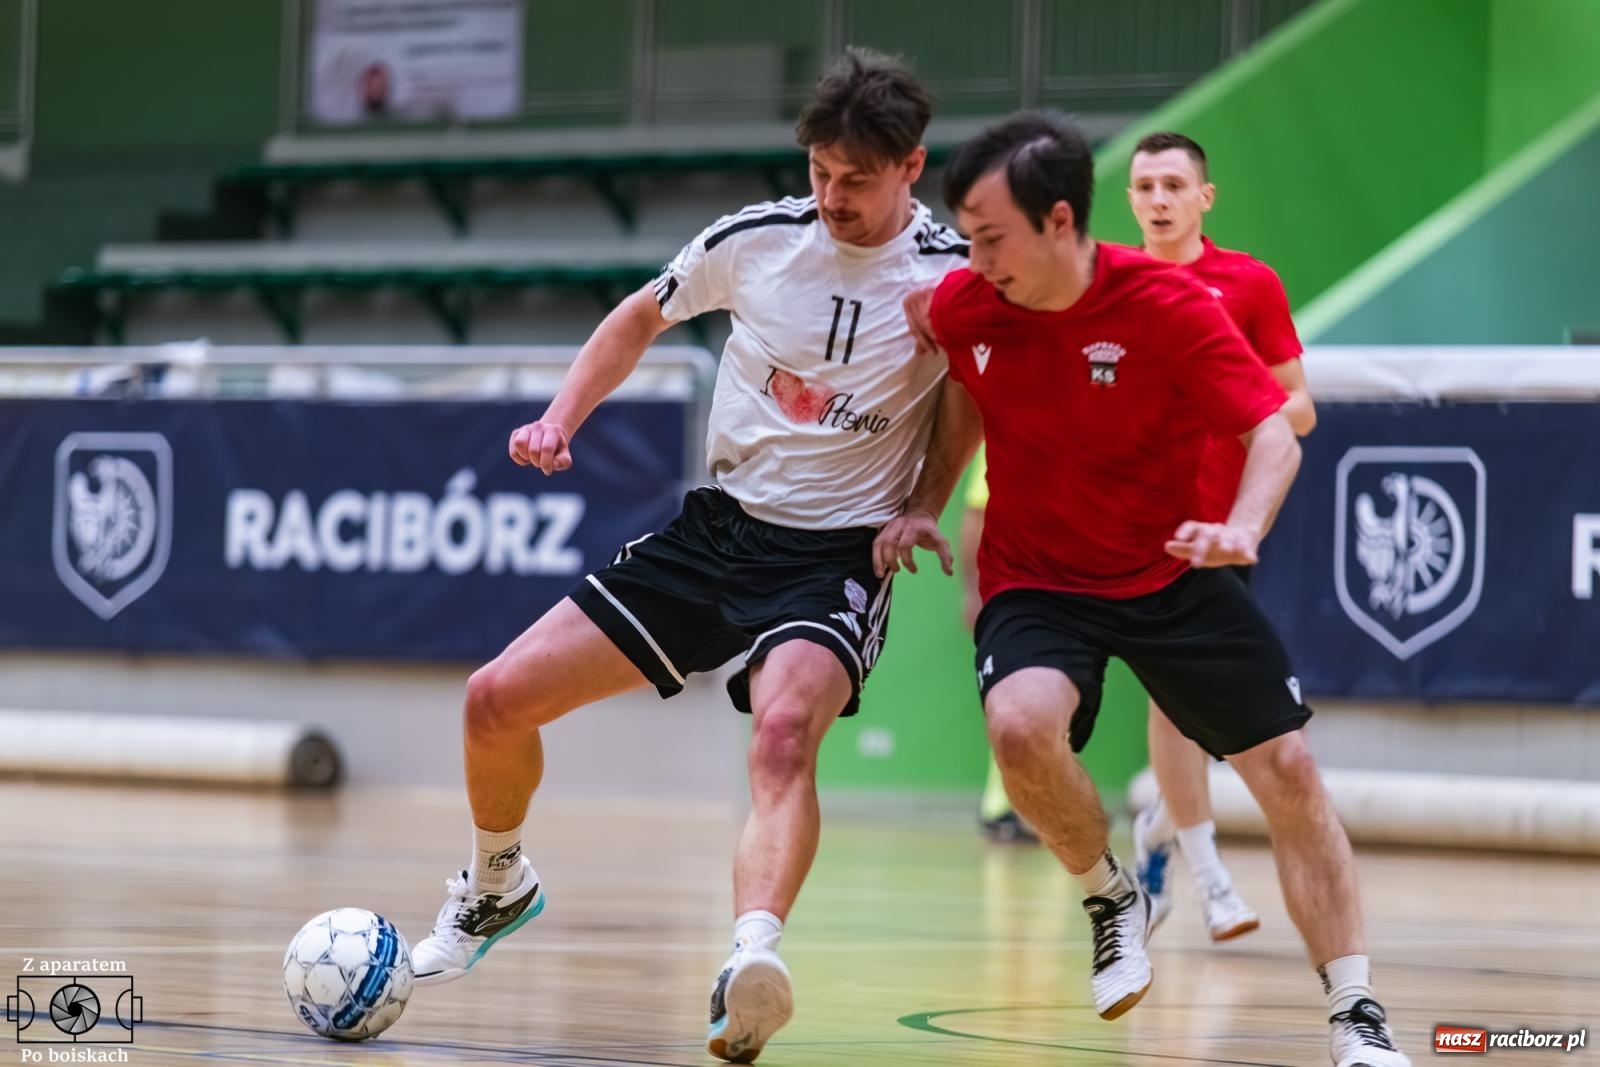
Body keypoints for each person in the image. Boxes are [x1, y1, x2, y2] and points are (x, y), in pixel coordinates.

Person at [408, 48, 969, 1065]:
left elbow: (970, 402)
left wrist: (924, 504)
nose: (831, 197)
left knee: (785, 732)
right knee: (493, 698)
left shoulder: (951, 278)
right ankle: (496, 882)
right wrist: (559, 415)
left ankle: (750, 959)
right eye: (818, 173)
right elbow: (639, 316)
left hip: (835, 552)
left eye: (855, 180)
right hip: (715, 530)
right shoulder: (755, 241)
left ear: (910, 168)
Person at [878, 111, 1409, 1066]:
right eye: (967, 235)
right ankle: (1111, 893)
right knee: (1017, 725)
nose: (974, 257)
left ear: (1060, 221)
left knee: (1289, 773)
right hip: (1036, 576)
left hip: (1170, 568)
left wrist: (1242, 528)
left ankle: (1356, 1015)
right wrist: (927, 496)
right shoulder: (966, 302)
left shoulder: (1166, 304)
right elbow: (965, 383)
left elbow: (1276, 430)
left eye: (991, 236)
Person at [1124, 130, 1318, 943]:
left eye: (1174, 185)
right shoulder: (1111, 285)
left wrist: (1228, 400)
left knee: (1221, 717)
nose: (1159, 200)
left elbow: (1299, 407)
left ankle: (1159, 835)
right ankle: (1210, 879)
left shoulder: (1246, 285)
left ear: (1205, 196)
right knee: (1171, 704)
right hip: (1138, 530)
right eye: (1144, 187)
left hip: (1228, 524)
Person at [963, 447, 1038, 843]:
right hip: (1013, 587)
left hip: (1068, 585)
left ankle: (1027, 803)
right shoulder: (1001, 427)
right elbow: (976, 513)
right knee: (1011, 694)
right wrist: (972, 593)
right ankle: (1005, 805)